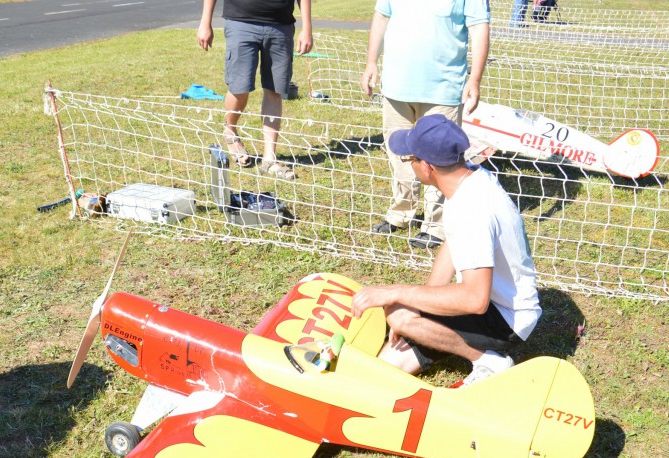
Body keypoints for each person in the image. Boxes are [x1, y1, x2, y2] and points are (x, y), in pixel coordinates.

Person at [351, 115, 541, 385]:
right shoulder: (471, 178)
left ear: (427, 167)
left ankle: (487, 360)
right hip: (498, 306)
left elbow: (475, 300)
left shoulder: (470, 210)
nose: (410, 164)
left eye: (410, 159)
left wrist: (397, 295)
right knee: (385, 365)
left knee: (399, 314)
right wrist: (422, 306)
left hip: (506, 320)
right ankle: (432, 339)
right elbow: (453, 242)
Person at [361, 0, 489, 250]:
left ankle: (436, 224)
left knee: (442, 159)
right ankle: (401, 212)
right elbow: (381, 17)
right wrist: (371, 62)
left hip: (443, 89)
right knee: (399, 154)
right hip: (396, 87)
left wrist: (475, 79)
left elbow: (479, 29)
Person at [197, 0, 313, 180]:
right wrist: (205, 22)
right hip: (241, 22)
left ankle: (269, 159)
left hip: (281, 25)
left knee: (275, 90)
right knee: (239, 88)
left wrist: (307, 28)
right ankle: (230, 130)